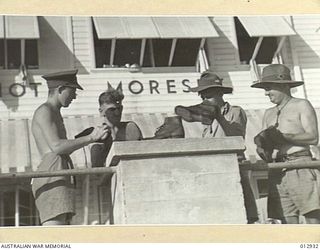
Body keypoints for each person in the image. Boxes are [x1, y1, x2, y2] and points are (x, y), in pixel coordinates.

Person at [175, 71, 259, 224]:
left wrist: (217, 116)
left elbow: (235, 138)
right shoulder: (207, 116)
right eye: (202, 95)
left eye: (208, 94)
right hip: (213, 166)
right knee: (218, 212)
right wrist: (200, 113)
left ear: (219, 93)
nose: (204, 97)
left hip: (234, 164)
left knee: (243, 211)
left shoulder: (235, 111)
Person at [31, 70, 109, 226]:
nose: (74, 96)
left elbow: (61, 147)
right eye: (72, 91)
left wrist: (84, 138)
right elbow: (57, 147)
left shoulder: (54, 112)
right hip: (52, 175)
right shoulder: (45, 111)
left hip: (59, 173)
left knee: (62, 235)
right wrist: (90, 138)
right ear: (60, 89)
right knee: (55, 237)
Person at [251, 64, 320, 224]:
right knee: (287, 222)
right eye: (265, 89)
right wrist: (262, 146)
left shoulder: (301, 105)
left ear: (283, 86)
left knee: (313, 219)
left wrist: (284, 137)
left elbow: (313, 137)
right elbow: (265, 146)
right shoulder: (268, 113)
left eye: (269, 88)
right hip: (277, 171)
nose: (266, 93)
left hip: (300, 166)